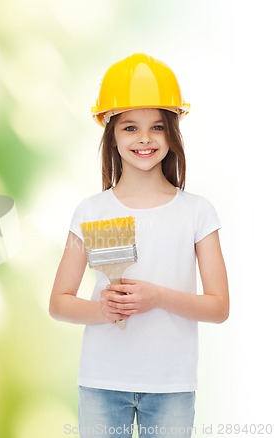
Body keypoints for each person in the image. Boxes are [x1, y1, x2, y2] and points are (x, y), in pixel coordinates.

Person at [49, 53, 229, 438]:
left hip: (171, 385)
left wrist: (157, 297)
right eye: (130, 127)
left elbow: (218, 308)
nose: (144, 138)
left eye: (157, 127)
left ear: (172, 134)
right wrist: (103, 309)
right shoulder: (92, 211)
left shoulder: (197, 212)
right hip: (102, 380)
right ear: (111, 135)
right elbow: (59, 302)